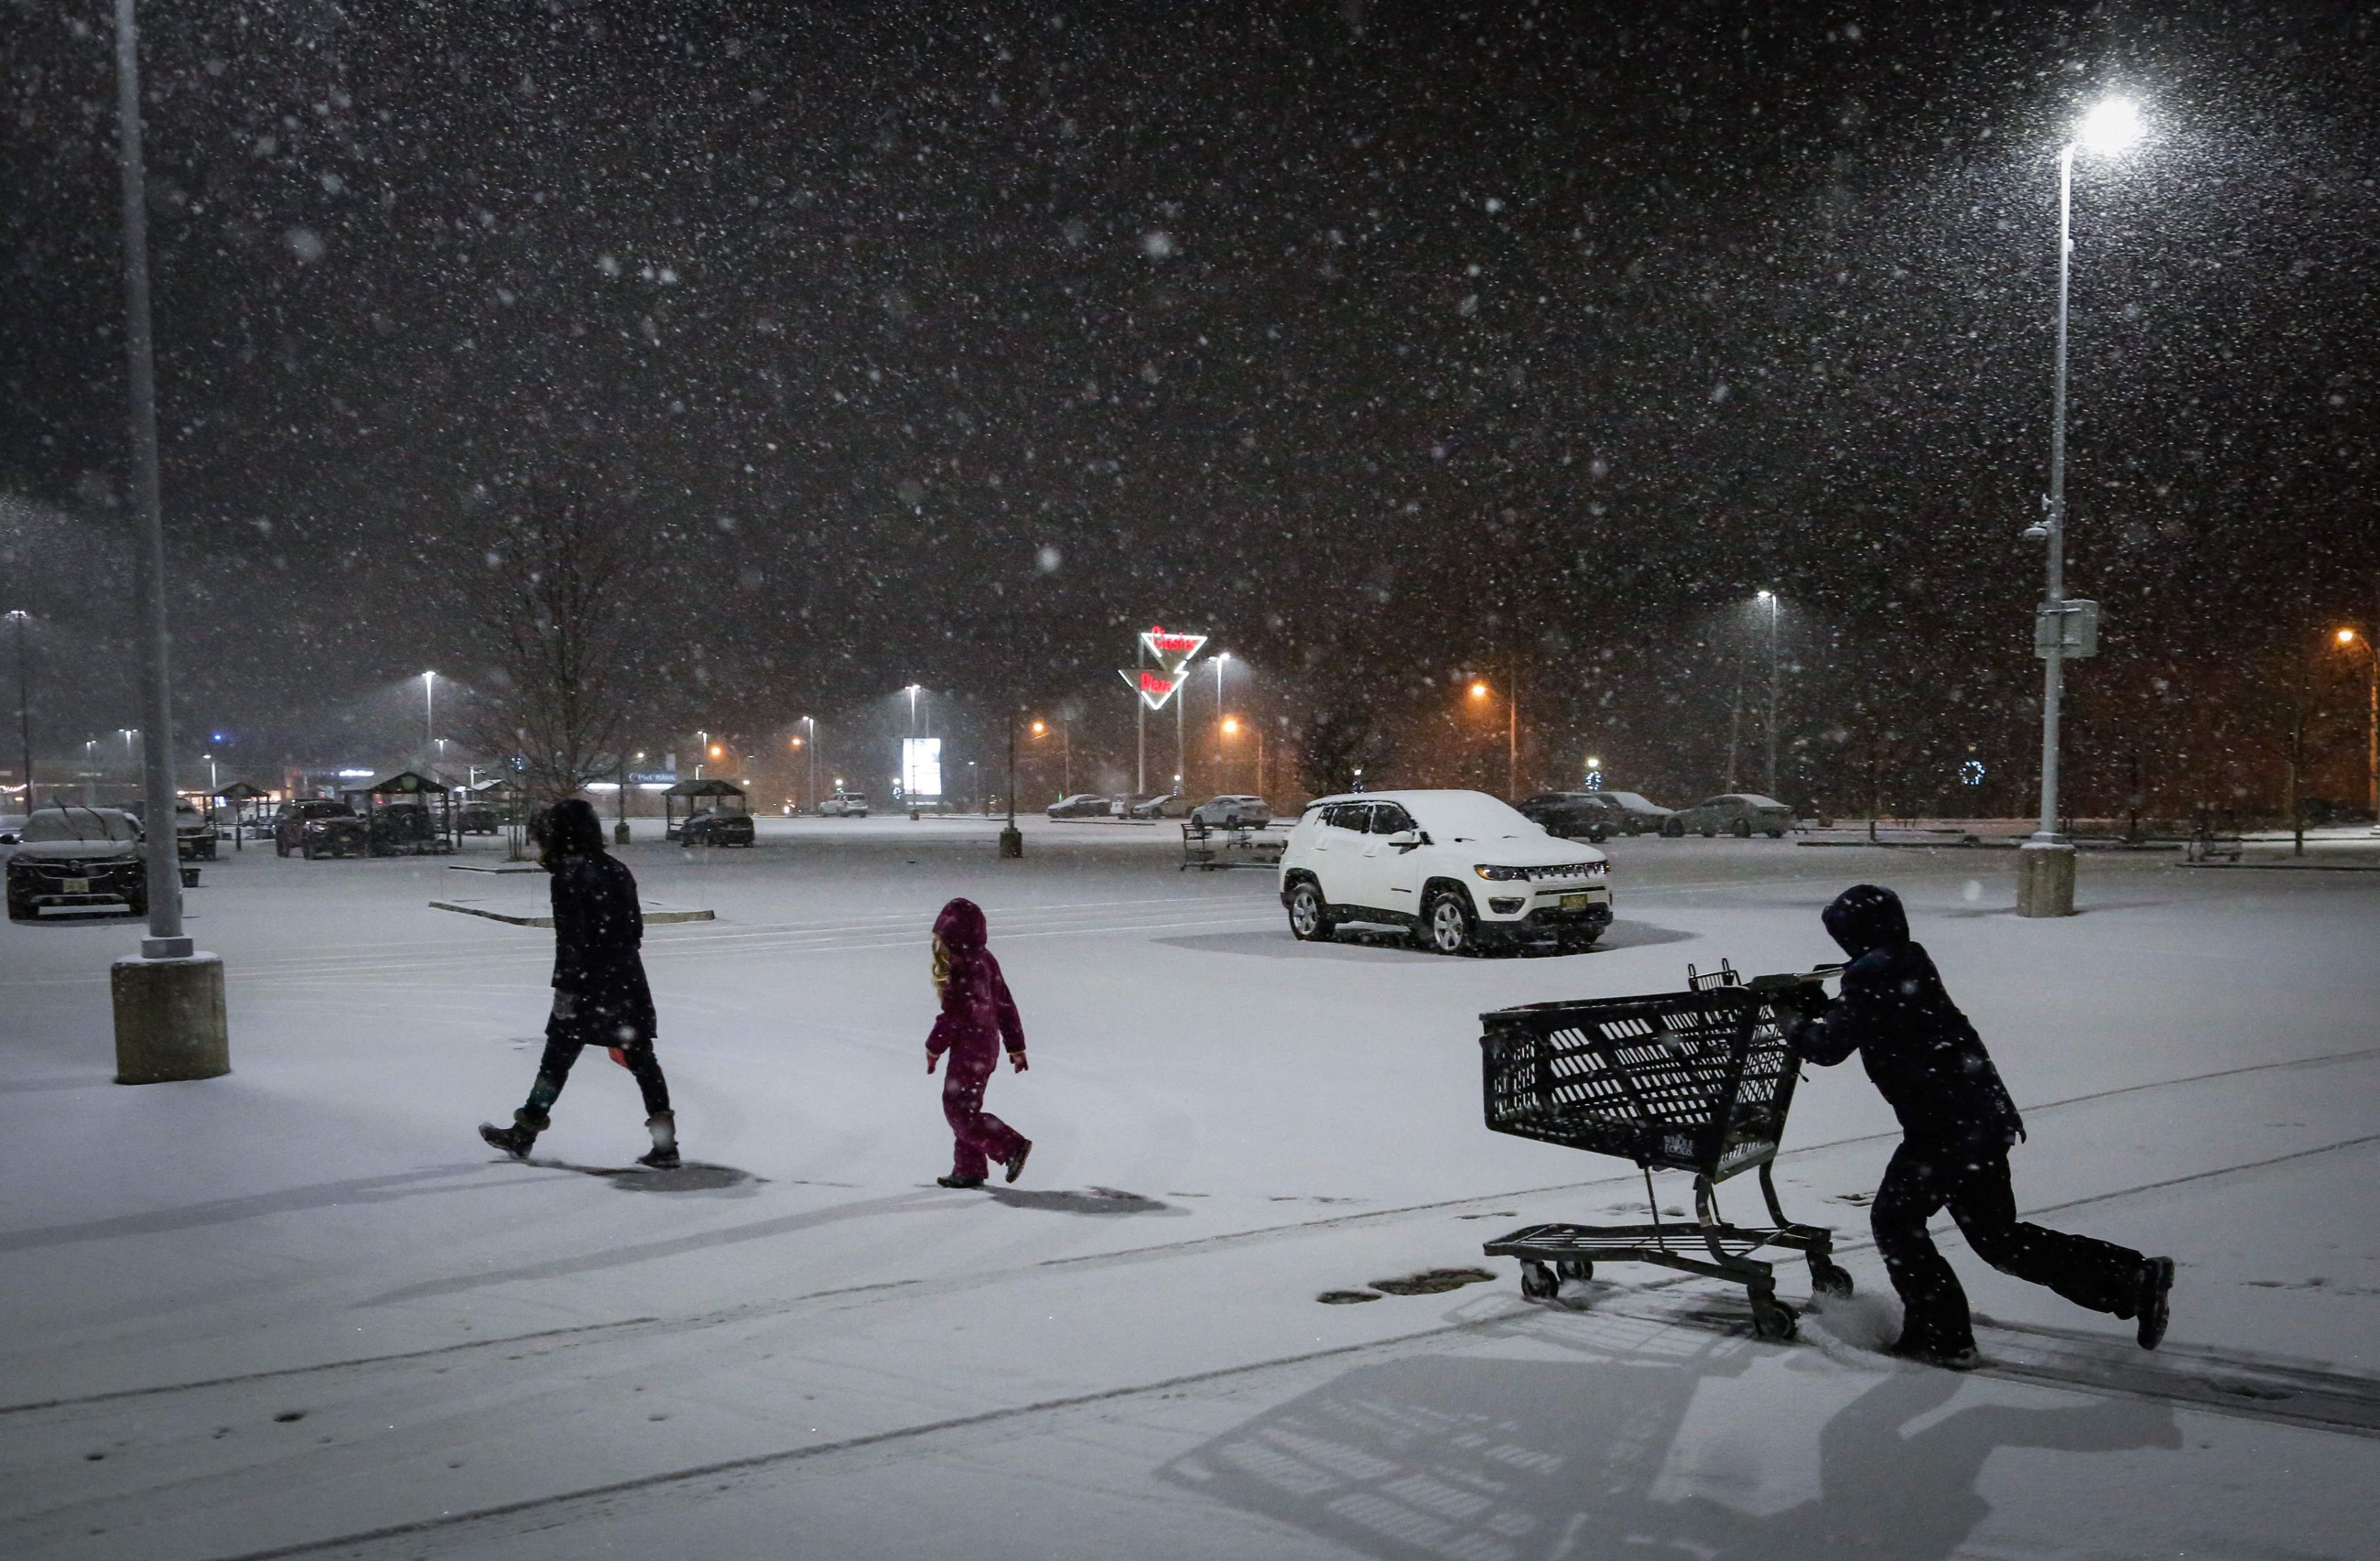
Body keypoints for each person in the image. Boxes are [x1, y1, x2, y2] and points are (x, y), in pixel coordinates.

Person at [1778, 883, 2172, 1369]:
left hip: (1943, 1126)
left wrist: (1789, 1017)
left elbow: (1827, 1048)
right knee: (1996, 1236)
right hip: (1978, 1118)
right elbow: (1872, 1020)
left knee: (1896, 1222)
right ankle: (2130, 1278)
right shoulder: (1905, 959)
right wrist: (1822, 1008)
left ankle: (1945, 1339)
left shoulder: (1873, 974)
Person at [479, 798, 679, 1168]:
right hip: (626, 978)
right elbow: (634, 929)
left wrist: (568, 989)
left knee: (556, 1059)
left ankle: (524, 1133)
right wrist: (617, 961)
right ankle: (665, 1145)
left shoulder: (569, 875)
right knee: (641, 1060)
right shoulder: (617, 869)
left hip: (586, 981)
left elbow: (571, 938)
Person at [925, 896, 1032, 1188]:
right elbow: (1005, 1003)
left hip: (969, 1047)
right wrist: (1015, 1046)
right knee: (967, 1106)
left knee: (957, 1110)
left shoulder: (962, 967)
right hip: (986, 1045)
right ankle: (969, 1167)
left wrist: (934, 1046)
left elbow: (954, 1014)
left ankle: (1010, 1145)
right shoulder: (986, 959)